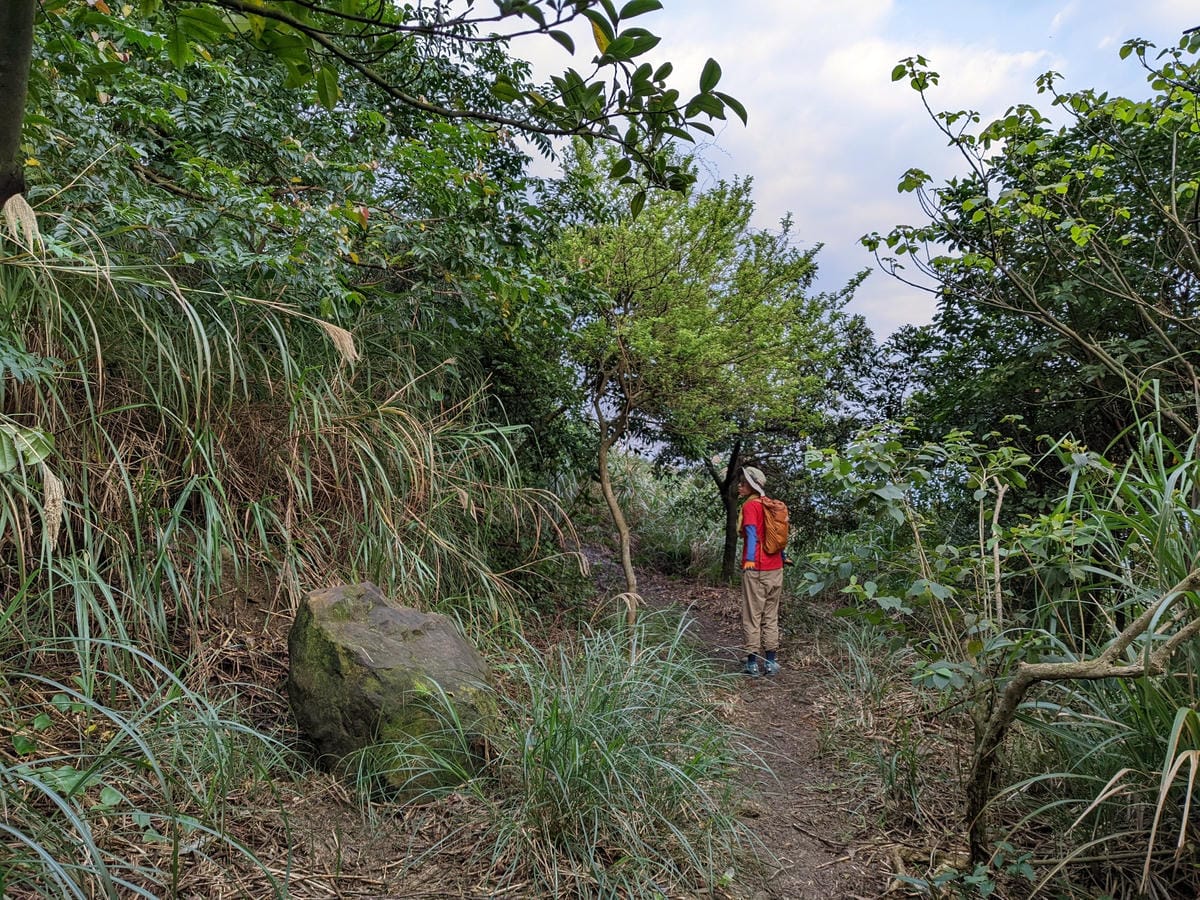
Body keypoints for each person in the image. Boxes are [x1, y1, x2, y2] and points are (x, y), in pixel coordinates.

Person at [738, 466, 783, 677]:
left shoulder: (750, 506)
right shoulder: (771, 505)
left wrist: (748, 560)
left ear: (752, 486)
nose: (739, 485)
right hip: (776, 568)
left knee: (752, 616)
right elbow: (778, 536)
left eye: (743, 483)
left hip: (756, 568)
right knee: (771, 616)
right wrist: (783, 558)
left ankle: (752, 664)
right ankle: (772, 663)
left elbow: (751, 533)